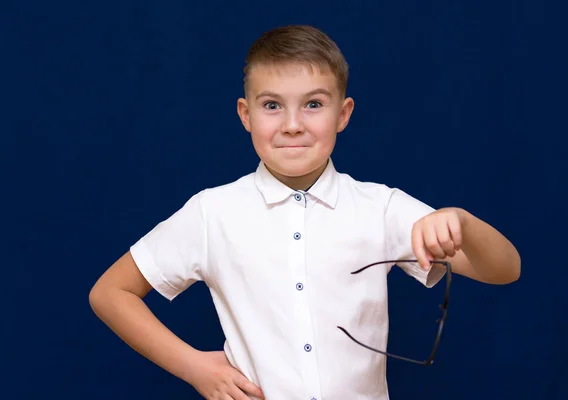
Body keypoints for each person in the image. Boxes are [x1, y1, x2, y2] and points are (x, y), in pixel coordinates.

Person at [89, 24, 521, 400]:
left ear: (342, 114)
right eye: (272, 105)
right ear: (246, 115)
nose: (292, 124)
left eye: (313, 104)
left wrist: (461, 222)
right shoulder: (212, 213)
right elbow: (110, 293)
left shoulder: (380, 208)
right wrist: (193, 367)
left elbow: (505, 269)